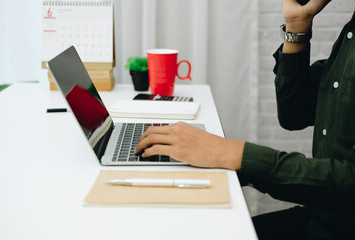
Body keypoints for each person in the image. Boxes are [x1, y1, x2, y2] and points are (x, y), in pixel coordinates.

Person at [135, 0, 355, 239]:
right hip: (323, 215)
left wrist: (236, 155)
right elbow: (295, 114)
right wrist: (297, 24)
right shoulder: (350, 32)